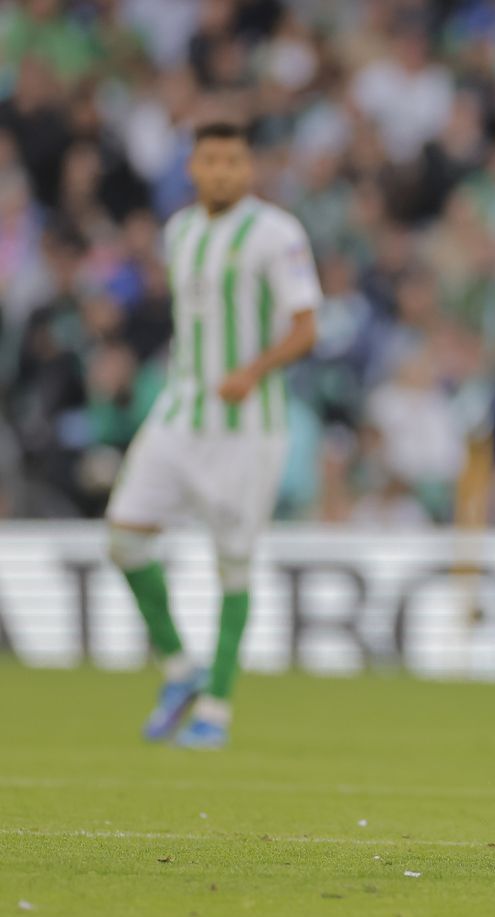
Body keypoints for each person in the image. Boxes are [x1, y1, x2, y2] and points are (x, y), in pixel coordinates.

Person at [109, 121, 322, 749]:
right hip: (179, 416)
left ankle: (215, 711)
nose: (223, 171)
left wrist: (253, 371)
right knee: (123, 539)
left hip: (247, 430)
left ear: (248, 167)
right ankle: (180, 670)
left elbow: (308, 326)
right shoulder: (179, 232)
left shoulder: (276, 233)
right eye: (211, 160)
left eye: (233, 160)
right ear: (192, 167)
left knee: (232, 564)